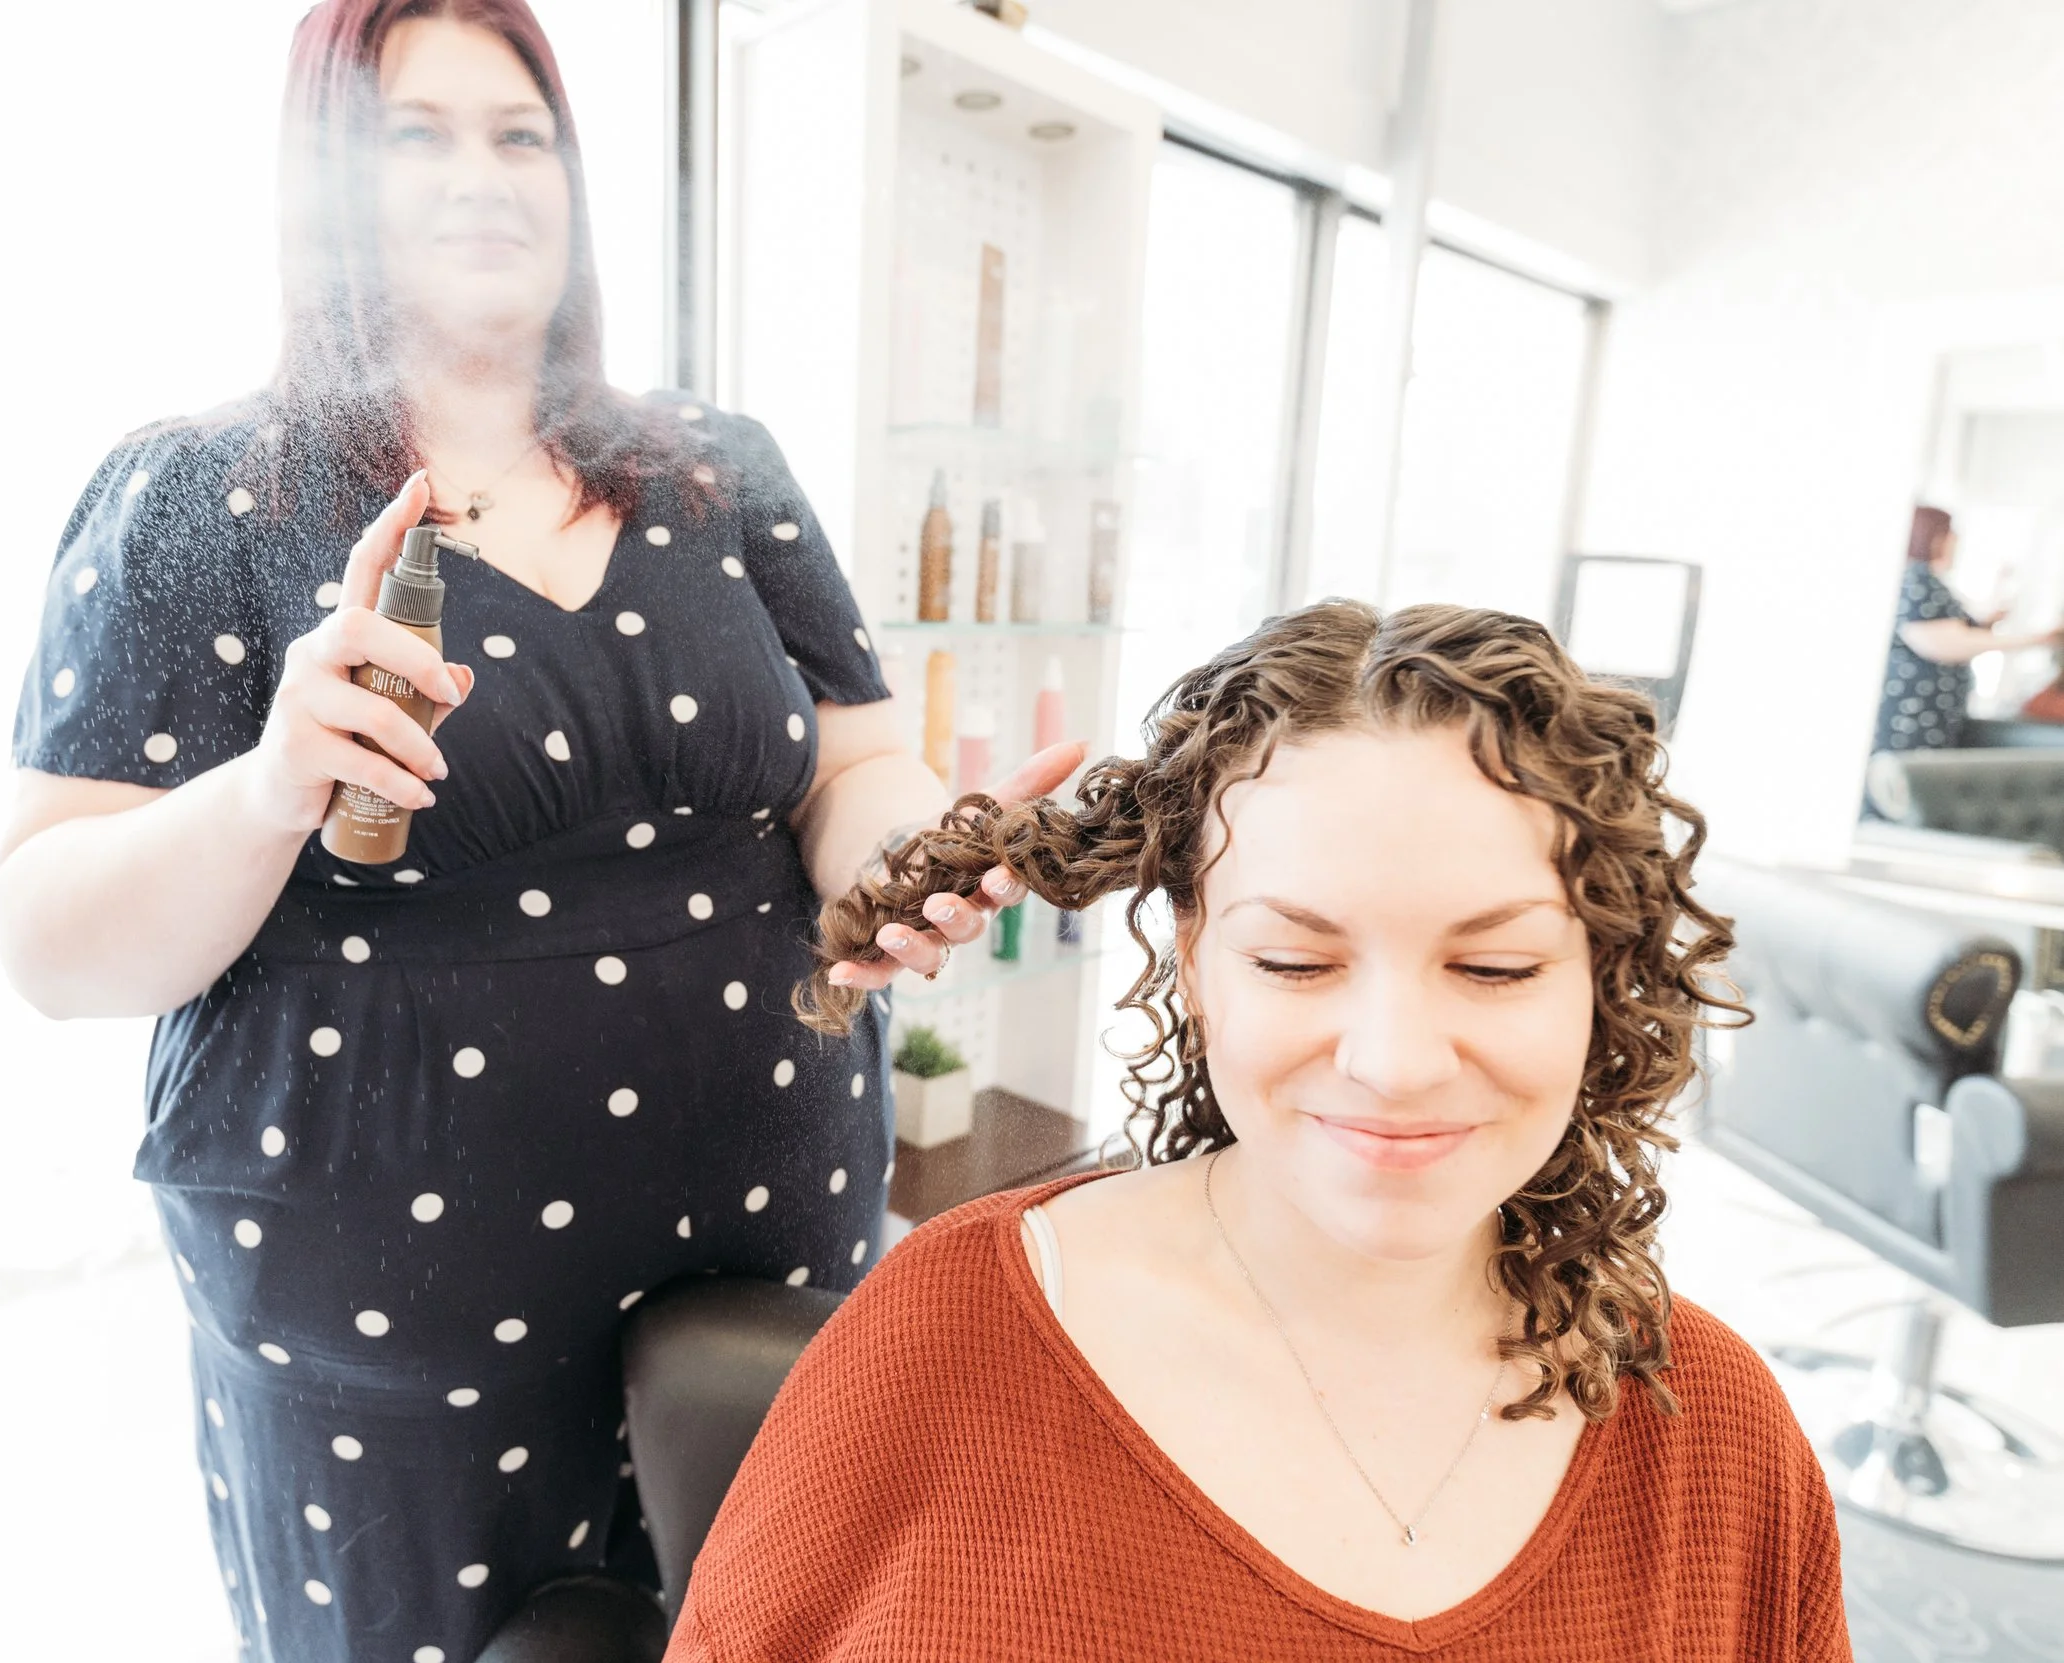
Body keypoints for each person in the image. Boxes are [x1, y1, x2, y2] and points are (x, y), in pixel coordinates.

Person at [0, 3, 1066, 1656]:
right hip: (395, 1328)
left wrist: (910, 864)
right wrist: (273, 784)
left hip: (763, 1243)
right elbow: (50, 939)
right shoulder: (203, 497)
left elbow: (853, 765)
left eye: (521, 134)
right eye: (414, 135)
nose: (482, 176)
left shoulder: (714, 471)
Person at [673, 602, 1854, 1661]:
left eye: (1495, 967)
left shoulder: (1718, 1444)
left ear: (1601, 977)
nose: (1393, 1062)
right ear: (1193, 960)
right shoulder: (944, 1336)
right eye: (1295, 961)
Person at [1874, 503, 2058, 757]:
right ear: (1934, 537)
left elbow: (1962, 630)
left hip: (1934, 715)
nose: (1955, 542)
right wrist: (2038, 639)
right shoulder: (1915, 579)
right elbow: (1947, 643)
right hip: (1911, 717)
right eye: (1950, 535)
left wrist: (1994, 609)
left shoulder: (1930, 582)